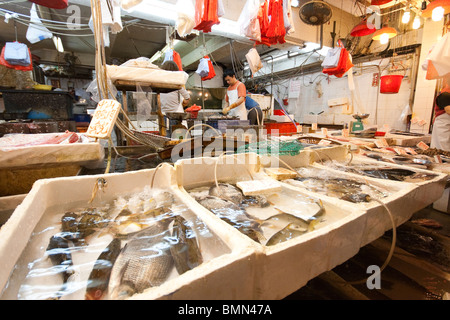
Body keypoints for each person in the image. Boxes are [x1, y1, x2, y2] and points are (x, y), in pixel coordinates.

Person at [158, 60, 190, 137]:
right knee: (176, 138)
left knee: (166, 137)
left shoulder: (159, 83)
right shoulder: (177, 84)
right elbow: (187, 97)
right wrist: (183, 103)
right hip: (175, 115)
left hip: (163, 115)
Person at [431, 85, 450, 152]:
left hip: (446, 128)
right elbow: (448, 110)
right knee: (442, 151)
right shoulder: (445, 95)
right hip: (443, 129)